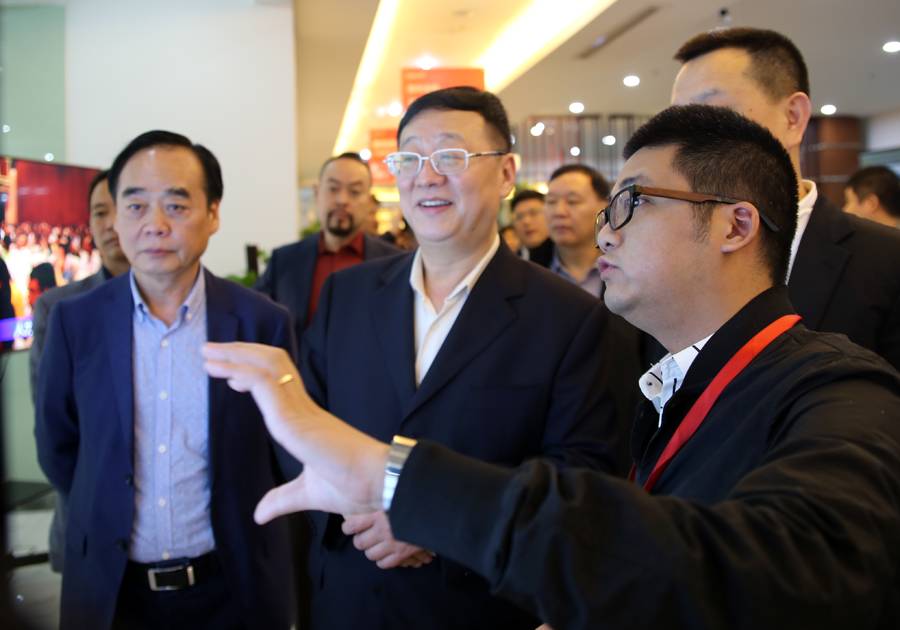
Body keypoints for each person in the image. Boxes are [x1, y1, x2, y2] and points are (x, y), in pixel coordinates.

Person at [204, 104, 900, 630]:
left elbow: (781, 570)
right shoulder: (674, 383)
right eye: (410, 159)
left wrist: (400, 484)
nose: (605, 229)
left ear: (735, 225)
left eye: (631, 203)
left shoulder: (840, 391)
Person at [291, 86, 629, 630]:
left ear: (506, 173)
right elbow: (308, 424)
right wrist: (350, 505)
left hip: (475, 605)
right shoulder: (346, 297)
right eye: (410, 158)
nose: (426, 177)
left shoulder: (571, 318)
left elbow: (582, 476)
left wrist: (437, 519)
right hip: (347, 595)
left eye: (450, 156)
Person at [35, 131, 295, 630]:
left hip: (232, 589)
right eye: (135, 207)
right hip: (113, 594)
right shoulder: (76, 323)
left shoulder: (262, 323)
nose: (154, 225)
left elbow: (282, 456)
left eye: (176, 206)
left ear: (213, 214)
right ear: (115, 217)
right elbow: (59, 447)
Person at [671, 26, 900, 370]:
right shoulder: (670, 259)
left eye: (714, 113)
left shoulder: (886, 260)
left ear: (793, 117)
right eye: (679, 123)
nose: (689, 142)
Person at [29, 169, 131, 573]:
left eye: (121, 209)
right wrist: (92, 498)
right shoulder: (60, 309)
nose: (110, 224)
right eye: (99, 212)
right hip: (88, 518)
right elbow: (53, 430)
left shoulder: (179, 304)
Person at [255, 152, 400, 342]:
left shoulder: (394, 264)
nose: (342, 200)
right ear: (317, 193)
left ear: (369, 201)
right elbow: (257, 320)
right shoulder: (284, 261)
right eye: (333, 189)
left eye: (355, 192)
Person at [545, 164, 610, 297]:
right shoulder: (529, 270)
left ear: (603, 207)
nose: (559, 212)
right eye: (551, 201)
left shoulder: (626, 268)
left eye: (572, 201)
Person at [510, 189, 552, 267]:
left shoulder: (564, 258)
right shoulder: (511, 264)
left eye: (533, 213)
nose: (526, 221)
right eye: (519, 217)